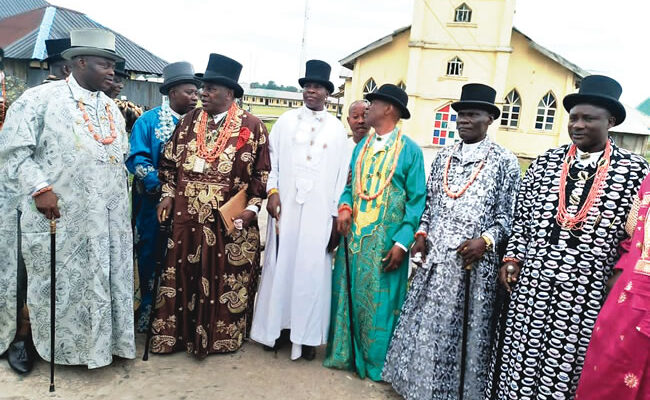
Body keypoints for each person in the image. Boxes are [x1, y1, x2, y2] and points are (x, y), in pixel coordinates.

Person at [486, 75, 649, 399]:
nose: (578, 125)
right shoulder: (545, 163)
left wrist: (616, 279)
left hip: (586, 293)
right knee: (521, 362)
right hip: (533, 287)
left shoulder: (634, 171)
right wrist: (512, 258)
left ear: (611, 121)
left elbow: (635, 237)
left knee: (569, 368)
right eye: (573, 118)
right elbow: (523, 220)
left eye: (588, 118)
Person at [0, 29, 135, 371]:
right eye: (105, 64)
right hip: (55, 215)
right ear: (80, 62)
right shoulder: (38, 99)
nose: (112, 72)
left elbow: (120, 157)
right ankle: (24, 341)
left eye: (114, 66)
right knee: (44, 281)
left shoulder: (112, 110)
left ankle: (99, 346)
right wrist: (39, 188)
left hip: (105, 220)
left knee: (98, 282)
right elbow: (14, 151)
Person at [382, 83, 521, 399]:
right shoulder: (445, 154)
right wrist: (421, 235)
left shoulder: (504, 161)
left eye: (473, 115)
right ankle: (417, 387)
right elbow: (430, 203)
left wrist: (484, 241)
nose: (465, 120)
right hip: (435, 261)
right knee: (426, 327)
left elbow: (508, 215)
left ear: (489, 118)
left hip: (472, 266)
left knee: (459, 333)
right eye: (461, 115)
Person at [150, 53, 270, 357]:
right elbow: (167, 165)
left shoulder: (253, 127)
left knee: (225, 278)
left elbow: (262, 174)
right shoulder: (189, 122)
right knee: (181, 276)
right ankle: (177, 338)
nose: (203, 93)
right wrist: (166, 193)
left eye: (211, 88)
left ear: (229, 94)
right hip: (186, 219)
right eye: (202, 87)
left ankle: (220, 340)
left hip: (229, 222)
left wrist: (252, 209)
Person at [323, 83, 426, 381]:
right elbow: (348, 188)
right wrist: (344, 209)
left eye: (374, 104)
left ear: (389, 109)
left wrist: (403, 243)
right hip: (354, 242)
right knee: (351, 298)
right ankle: (349, 357)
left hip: (386, 246)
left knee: (382, 307)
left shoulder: (410, 151)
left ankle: (379, 366)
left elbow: (417, 201)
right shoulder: (361, 147)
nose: (367, 109)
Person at [250, 60, 349, 361]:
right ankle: (275, 331)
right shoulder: (285, 122)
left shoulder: (336, 130)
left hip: (320, 213)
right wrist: (273, 192)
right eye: (307, 85)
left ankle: (305, 337)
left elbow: (340, 176)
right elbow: (273, 163)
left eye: (317, 86)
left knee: (311, 271)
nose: (310, 90)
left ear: (327, 93)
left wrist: (334, 216)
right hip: (288, 210)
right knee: (281, 266)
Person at [126, 61, 199, 332]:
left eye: (196, 93)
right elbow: (138, 158)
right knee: (150, 252)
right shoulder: (149, 121)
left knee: (185, 256)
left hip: (192, 206)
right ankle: (147, 305)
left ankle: (179, 313)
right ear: (171, 92)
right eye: (189, 92)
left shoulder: (201, 123)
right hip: (154, 203)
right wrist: (165, 186)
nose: (195, 97)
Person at [574, 173, 650, 400]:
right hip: (628, 299)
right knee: (608, 375)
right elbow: (633, 229)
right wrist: (621, 270)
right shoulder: (649, 180)